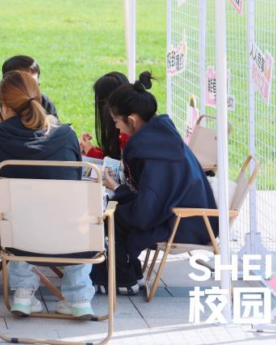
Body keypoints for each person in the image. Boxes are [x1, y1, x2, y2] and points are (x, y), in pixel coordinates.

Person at [0, 70, 95, 318]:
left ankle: (23, 294)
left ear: (3, 106)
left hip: (20, 239)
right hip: (71, 238)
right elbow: (76, 183)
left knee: (15, 212)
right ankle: (79, 299)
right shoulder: (65, 134)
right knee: (76, 211)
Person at [90, 72, 218, 293]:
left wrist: (119, 191)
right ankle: (128, 274)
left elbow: (145, 211)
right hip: (192, 218)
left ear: (132, 120)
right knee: (116, 209)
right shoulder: (161, 140)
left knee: (111, 216)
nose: (117, 127)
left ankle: (123, 280)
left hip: (184, 224)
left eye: (117, 122)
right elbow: (152, 199)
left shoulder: (151, 154)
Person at [0, 55, 56, 251]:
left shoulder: (43, 102)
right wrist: (0, 136)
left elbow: (53, 134)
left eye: (34, 84)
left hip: (34, 161)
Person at [79, 71, 130, 160]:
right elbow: (115, 156)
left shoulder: (127, 132)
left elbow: (121, 166)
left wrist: (91, 152)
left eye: (99, 102)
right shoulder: (126, 125)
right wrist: (90, 149)